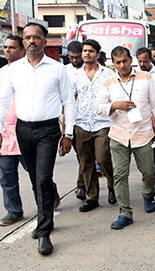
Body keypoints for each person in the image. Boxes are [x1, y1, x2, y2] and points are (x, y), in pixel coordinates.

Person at [0, 22, 76, 255]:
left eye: (36, 37)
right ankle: (44, 216)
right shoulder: (14, 69)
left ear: (44, 41)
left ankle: (44, 231)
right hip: (23, 130)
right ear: (24, 40)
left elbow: (69, 102)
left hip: (48, 130)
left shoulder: (57, 68)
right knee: (33, 176)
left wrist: (68, 133)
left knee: (43, 178)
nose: (31, 40)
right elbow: (3, 100)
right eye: (27, 37)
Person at [0, 35, 61, 226]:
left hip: (28, 132)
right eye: (5, 47)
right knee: (6, 175)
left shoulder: (34, 71)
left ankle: (50, 193)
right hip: (4, 133)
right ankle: (14, 210)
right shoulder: (0, 74)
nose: (7, 50)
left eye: (12, 47)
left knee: (37, 174)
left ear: (22, 49)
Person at [95, 46, 155, 229]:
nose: (122, 65)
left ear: (131, 60)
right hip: (118, 135)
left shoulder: (146, 78)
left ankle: (147, 193)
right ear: (113, 63)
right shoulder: (108, 82)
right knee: (120, 176)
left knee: (149, 172)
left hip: (143, 134)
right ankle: (125, 213)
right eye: (118, 62)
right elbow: (98, 108)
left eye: (125, 61)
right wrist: (115, 105)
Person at [72, 39, 116, 212]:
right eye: (84, 51)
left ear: (98, 55)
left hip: (103, 123)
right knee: (86, 162)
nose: (87, 54)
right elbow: (71, 100)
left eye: (90, 51)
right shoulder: (75, 75)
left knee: (103, 157)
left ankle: (112, 186)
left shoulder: (108, 75)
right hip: (81, 123)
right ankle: (92, 197)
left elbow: (115, 97)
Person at [136, 47, 155, 196]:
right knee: (145, 153)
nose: (143, 63)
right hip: (141, 121)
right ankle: (148, 180)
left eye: (145, 61)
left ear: (151, 59)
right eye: (140, 61)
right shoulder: (135, 75)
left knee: (154, 153)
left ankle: (152, 182)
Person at [67, 41, 86, 201]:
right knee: (80, 156)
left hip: (88, 120)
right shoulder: (64, 71)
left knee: (86, 155)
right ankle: (84, 185)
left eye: (77, 57)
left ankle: (82, 186)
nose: (74, 60)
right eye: (71, 57)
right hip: (68, 121)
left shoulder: (91, 70)